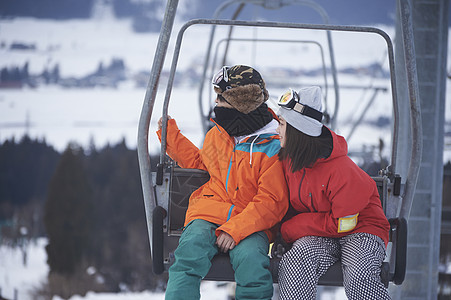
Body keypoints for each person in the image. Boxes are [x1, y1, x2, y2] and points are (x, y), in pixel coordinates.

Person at [157, 65, 288, 300]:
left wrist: (235, 229)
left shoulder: (273, 146)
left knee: (252, 265)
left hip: (249, 222)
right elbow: (202, 164)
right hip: (209, 211)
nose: (216, 103)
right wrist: (171, 138)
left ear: (240, 103)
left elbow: (271, 201)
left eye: (221, 97)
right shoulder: (219, 134)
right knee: (188, 255)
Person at [275, 86, 391, 299]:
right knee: (296, 261)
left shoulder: (342, 171)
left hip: (361, 229)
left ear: (297, 131)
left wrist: (290, 228)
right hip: (324, 234)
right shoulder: (290, 161)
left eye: (281, 124)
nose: (277, 130)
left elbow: (343, 224)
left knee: (359, 274)